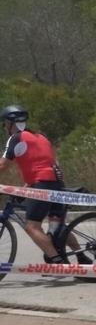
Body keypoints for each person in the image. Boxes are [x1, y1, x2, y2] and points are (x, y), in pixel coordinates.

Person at [0, 104, 81, 263]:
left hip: (42, 185)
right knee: (56, 226)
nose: (4, 128)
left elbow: (2, 165)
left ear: (10, 124)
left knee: (32, 227)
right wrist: (28, 186)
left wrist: (35, 184)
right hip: (57, 183)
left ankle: (57, 262)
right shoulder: (41, 137)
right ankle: (81, 255)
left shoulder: (16, 138)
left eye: (4, 124)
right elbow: (43, 163)